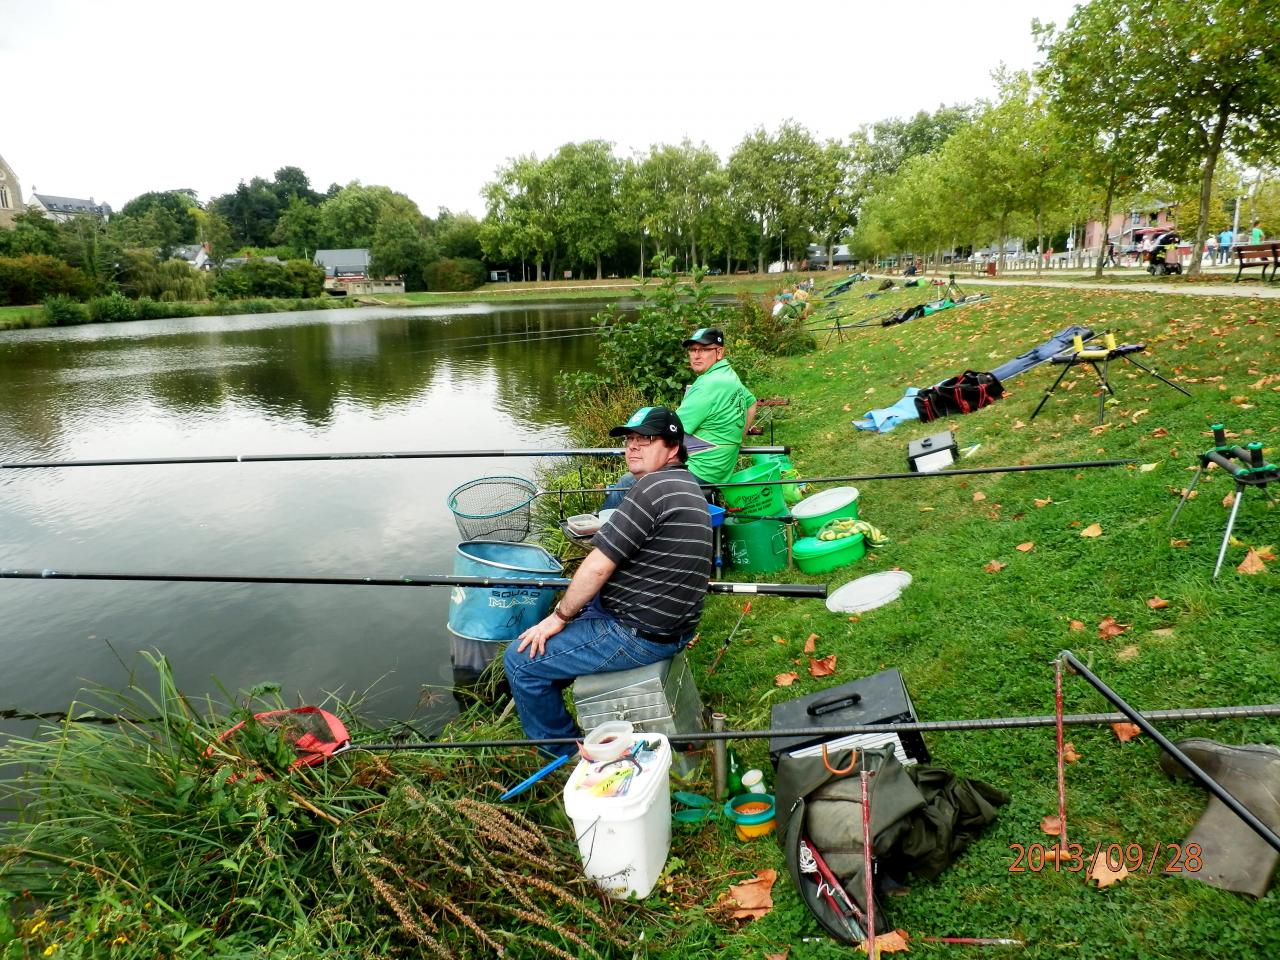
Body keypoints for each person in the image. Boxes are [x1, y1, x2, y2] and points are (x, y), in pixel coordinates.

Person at [503, 406, 712, 754]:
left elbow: (596, 567)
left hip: (638, 634)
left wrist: (558, 618)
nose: (632, 447)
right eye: (630, 439)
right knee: (572, 615)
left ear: (673, 447)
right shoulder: (685, 484)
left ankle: (564, 756)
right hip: (671, 626)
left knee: (520, 660)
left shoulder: (651, 489)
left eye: (645, 439)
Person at [602, 328, 756, 507]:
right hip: (720, 470)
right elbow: (751, 403)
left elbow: (673, 430)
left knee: (626, 483)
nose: (696, 356)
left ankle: (600, 532)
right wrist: (737, 439)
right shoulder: (729, 376)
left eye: (704, 350)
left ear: (719, 352)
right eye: (692, 350)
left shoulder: (708, 384)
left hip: (699, 470)